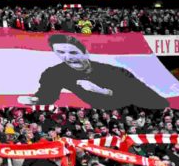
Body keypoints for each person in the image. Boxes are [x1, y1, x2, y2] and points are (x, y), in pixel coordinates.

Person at [19, 34, 169, 109]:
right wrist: (35, 100)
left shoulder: (115, 72)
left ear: (85, 52)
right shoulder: (55, 73)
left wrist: (102, 91)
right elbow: (48, 95)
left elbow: (156, 102)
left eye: (72, 53)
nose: (67, 58)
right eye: (60, 53)